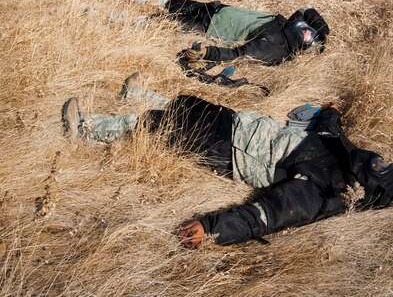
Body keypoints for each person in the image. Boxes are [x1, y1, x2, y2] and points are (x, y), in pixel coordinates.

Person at [61, 78, 393, 247]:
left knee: (158, 130)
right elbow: (329, 131)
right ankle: (137, 95)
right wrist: (332, 112)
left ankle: (87, 128)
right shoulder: (348, 156)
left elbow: (269, 215)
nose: (380, 160)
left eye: (383, 169)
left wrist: (211, 227)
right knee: (190, 108)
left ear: (372, 188)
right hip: (244, 126)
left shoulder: (331, 192)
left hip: (234, 150)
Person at [105, 0, 329, 64]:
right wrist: (323, 31)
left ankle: (112, 18)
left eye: (309, 33)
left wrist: (207, 53)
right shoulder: (289, 25)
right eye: (310, 29)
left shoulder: (274, 49)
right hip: (218, 9)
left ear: (301, 44)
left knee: (159, 21)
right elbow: (306, 9)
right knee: (171, 2)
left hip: (209, 26)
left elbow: (237, 54)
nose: (306, 28)